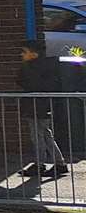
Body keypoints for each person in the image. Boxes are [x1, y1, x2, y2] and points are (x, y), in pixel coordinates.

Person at [18, 41, 71, 181]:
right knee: (46, 134)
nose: (21, 54)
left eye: (24, 52)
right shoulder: (47, 66)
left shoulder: (33, 68)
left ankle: (40, 163)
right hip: (42, 105)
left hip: (36, 105)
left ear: (34, 54)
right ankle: (59, 163)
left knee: (37, 135)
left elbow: (25, 82)